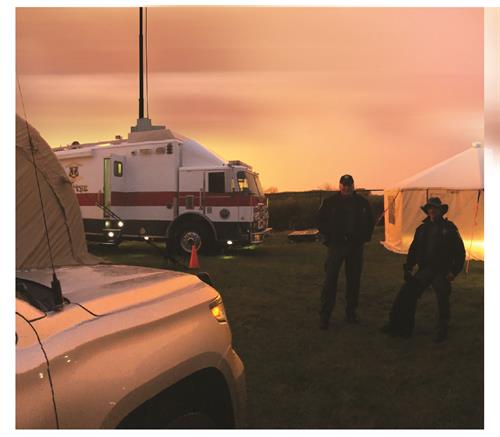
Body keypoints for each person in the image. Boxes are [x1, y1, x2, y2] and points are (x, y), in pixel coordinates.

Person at [381, 197, 465, 343]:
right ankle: (399, 326)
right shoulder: (421, 229)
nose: (432, 210)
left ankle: (443, 327)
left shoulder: (449, 228)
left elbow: (460, 252)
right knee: (407, 293)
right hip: (425, 270)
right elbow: (414, 250)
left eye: (435, 208)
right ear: (427, 211)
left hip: (442, 271)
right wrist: (408, 267)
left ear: (440, 210)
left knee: (442, 296)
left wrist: (454, 271)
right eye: (430, 208)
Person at [318, 174, 375, 329]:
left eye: (349, 184)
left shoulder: (362, 203)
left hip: (355, 247)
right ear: (340, 185)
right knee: (330, 281)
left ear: (353, 186)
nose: (346, 187)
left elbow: (370, 222)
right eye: (344, 184)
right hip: (336, 247)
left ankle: (351, 313)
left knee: (354, 281)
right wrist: (329, 239)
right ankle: (325, 316)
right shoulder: (330, 202)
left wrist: (363, 238)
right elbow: (320, 221)